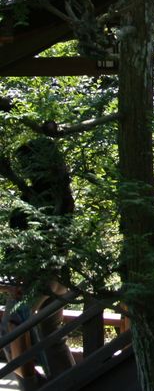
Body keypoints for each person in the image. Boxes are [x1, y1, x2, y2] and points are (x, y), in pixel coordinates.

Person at [1, 138, 77, 390]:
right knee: (51, 336)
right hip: (59, 273)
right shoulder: (62, 194)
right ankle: (70, 383)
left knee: (13, 327)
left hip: (35, 277)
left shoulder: (34, 198)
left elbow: (22, 242)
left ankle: (29, 386)